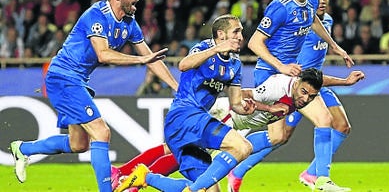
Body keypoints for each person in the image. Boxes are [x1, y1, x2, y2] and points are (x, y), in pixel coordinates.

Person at [9, 0, 179, 192]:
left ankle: (23, 149)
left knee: (78, 144)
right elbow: (103, 54)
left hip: (77, 80)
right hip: (63, 76)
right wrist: (141, 59)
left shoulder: (130, 23)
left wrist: (177, 87)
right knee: (101, 132)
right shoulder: (96, 15)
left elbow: (151, 59)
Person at [114, 67, 363, 192]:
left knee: (182, 156)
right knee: (182, 158)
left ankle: (134, 177)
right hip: (228, 119)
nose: (306, 99)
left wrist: (344, 81)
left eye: (311, 96)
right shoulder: (278, 87)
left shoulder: (303, 90)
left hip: (240, 128)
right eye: (304, 93)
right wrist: (268, 107)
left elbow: (317, 81)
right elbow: (244, 95)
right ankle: (135, 178)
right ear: (296, 84)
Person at [228, 0, 364, 192]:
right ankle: (236, 166)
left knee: (340, 125)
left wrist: (337, 48)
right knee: (279, 136)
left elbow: (318, 42)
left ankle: (315, 175)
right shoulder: (298, 25)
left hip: (315, 84)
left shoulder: (325, 21)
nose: (321, 1)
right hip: (295, 85)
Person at [115, 14, 257, 192]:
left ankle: (145, 176)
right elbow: (183, 65)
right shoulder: (204, 47)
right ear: (221, 34)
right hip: (185, 116)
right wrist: (217, 49)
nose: (240, 37)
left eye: (241, 32)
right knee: (243, 146)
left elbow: (235, 103)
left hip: (189, 127)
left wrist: (245, 108)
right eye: (236, 32)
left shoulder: (235, 65)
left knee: (207, 190)